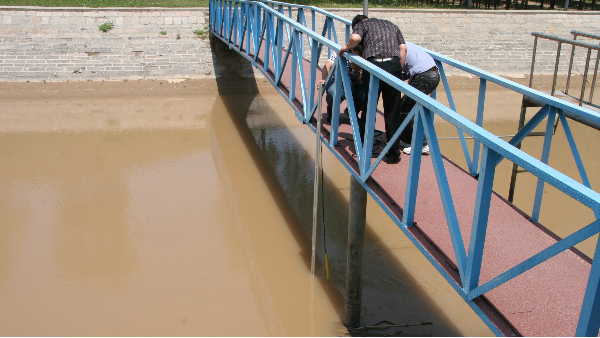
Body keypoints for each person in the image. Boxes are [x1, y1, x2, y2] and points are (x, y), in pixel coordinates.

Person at [339, 14, 407, 164]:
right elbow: (403, 48)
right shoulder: (391, 24)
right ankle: (394, 154)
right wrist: (398, 70)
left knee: (369, 109)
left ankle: (364, 148)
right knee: (392, 112)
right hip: (393, 66)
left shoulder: (361, 25)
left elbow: (355, 39)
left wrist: (346, 47)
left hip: (374, 66)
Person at [398, 44, 440, 155]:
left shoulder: (394, 48)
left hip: (424, 76)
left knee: (406, 109)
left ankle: (422, 144)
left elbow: (396, 70)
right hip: (430, 73)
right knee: (407, 107)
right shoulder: (402, 44)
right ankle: (407, 140)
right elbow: (407, 72)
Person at [318, 48, 364, 124]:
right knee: (333, 92)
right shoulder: (341, 52)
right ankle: (331, 111)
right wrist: (324, 79)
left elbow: (364, 81)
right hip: (337, 80)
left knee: (366, 96)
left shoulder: (366, 55)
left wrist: (358, 70)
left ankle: (352, 112)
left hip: (356, 83)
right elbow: (327, 65)